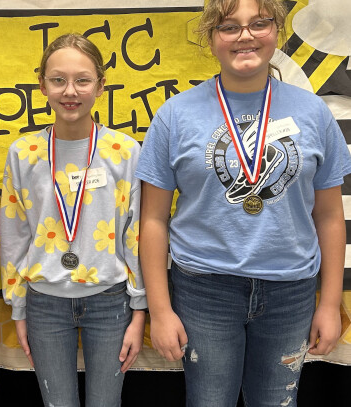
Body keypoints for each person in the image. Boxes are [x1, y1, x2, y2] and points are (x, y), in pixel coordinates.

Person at [135, 0, 351, 405]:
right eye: (229, 27)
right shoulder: (175, 116)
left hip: (291, 291)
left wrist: (330, 303)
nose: (245, 36)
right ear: (211, 38)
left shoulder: (313, 113)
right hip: (203, 290)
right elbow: (153, 220)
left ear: (276, 31)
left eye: (259, 23)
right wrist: (160, 311)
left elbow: (329, 216)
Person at [0, 33, 147, 407]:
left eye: (82, 80)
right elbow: (15, 234)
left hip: (110, 302)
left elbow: (136, 235)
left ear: (101, 85)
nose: (70, 91)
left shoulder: (126, 151)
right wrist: (18, 307)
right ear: (42, 85)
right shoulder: (24, 152)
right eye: (58, 79)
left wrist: (139, 311)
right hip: (44, 303)